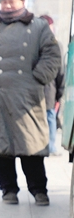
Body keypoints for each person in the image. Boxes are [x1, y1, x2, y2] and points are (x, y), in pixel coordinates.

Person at [0, 0, 61, 206]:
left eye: (12, 1)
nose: (7, 5)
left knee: (31, 149)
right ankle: (9, 190)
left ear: (22, 2)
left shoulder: (38, 27)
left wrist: (36, 79)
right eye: (4, 1)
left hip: (28, 98)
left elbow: (52, 54)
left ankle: (39, 191)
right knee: (1, 149)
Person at [39, 15, 65, 156]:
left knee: (45, 118)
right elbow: (60, 72)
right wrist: (59, 93)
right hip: (50, 91)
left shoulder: (32, 43)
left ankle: (45, 147)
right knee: (50, 118)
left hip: (42, 91)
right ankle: (50, 147)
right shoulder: (56, 45)